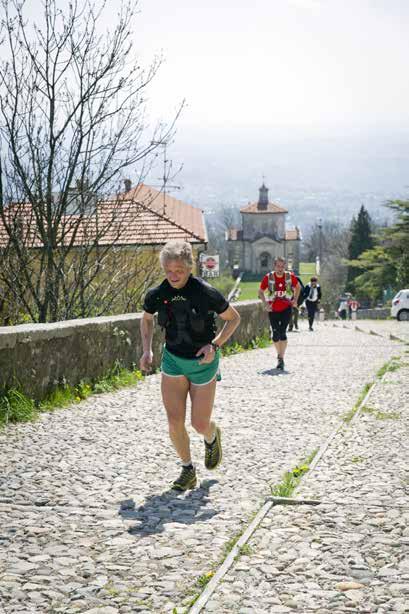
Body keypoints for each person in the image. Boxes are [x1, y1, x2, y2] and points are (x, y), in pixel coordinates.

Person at [140, 240, 240, 492]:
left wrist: (214, 345)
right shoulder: (157, 294)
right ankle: (187, 469)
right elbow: (147, 319)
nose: (173, 276)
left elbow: (234, 319)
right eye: (169, 271)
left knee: (199, 424)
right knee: (174, 422)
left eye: (179, 271)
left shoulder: (205, 292)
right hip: (173, 360)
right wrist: (147, 349)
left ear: (189, 268)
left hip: (202, 363)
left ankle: (211, 435)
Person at [258, 256, 301, 370]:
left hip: (286, 308)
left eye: (282, 266)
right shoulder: (269, 277)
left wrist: (295, 300)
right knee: (275, 335)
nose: (280, 269)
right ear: (274, 266)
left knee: (282, 333)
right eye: (278, 266)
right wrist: (265, 304)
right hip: (273, 309)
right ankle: (279, 354)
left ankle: (281, 358)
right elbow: (260, 291)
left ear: (285, 266)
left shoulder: (289, 276)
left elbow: (298, 287)